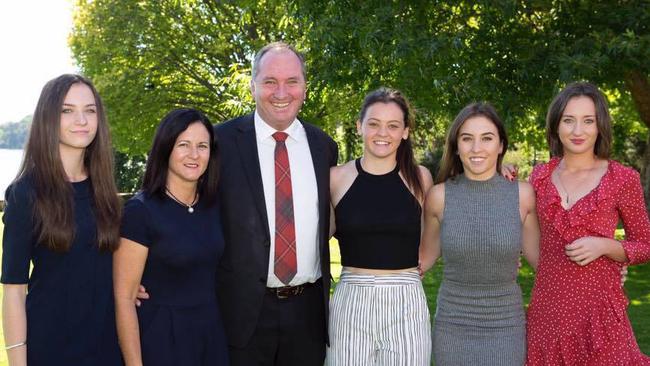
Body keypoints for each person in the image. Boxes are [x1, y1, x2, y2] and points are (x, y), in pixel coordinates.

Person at [213, 42, 338, 365]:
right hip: (242, 314)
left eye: (292, 81)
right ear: (253, 86)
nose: (281, 92)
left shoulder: (324, 146)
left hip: (308, 313)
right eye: (270, 81)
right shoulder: (219, 144)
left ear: (305, 87)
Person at [1, 74, 122, 365]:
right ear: (48, 118)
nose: (81, 120)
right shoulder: (25, 193)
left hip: (107, 349)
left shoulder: (104, 190)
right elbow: (14, 292)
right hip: (52, 350)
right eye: (67, 110)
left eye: (90, 110)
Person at [526, 82, 650, 365]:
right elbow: (519, 225)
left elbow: (645, 245)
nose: (578, 131)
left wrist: (606, 247)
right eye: (569, 120)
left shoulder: (622, 178)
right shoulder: (538, 178)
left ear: (600, 126)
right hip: (549, 314)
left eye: (588, 121)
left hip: (601, 318)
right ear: (556, 125)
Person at [419, 102, 539, 365]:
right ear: (456, 146)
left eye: (487, 138)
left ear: (501, 146)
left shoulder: (522, 195)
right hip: (452, 324)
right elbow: (422, 261)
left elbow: (544, 263)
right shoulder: (439, 196)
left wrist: (603, 270)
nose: (476, 148)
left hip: (506, 325)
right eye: (467, 139)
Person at [327, 87, 433, 365]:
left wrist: (498, 171)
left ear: (405, 131)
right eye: (374, 124)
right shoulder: (336, 178)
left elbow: (439, 228)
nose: (382, 133)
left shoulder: (420, 178)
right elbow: (312, 237)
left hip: (406, 299)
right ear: (360, 126)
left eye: (393, 125)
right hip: (352, 298)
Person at [113, 108, 227, 365]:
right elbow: (124, 298)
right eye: (183, 145)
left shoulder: (213, 206)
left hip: (210, 338)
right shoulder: (140, 212)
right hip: (162, 340)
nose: (194, 155)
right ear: (165, 149)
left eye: (202, 146)